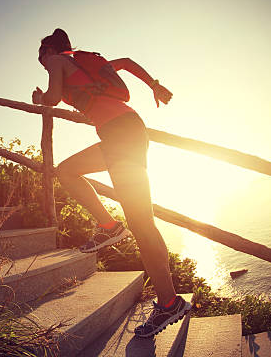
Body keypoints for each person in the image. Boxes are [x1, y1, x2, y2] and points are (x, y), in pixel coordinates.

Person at [32, 28, 191, 338]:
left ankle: (167, 299)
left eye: (41, 58)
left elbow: (51, 98)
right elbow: (128, 62)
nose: (42, 63)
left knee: (138, 222)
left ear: (48, 51)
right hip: (130, 129)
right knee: (138, 219)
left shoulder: (56, 61)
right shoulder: (90, 61)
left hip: (118, 135)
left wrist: (40, 98)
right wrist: (154, 85)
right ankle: (112, 231)